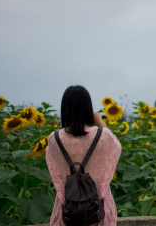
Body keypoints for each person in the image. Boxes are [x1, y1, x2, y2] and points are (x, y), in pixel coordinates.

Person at [46, 85, 122, 226]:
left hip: (68, 211)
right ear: (88, 107)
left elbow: (53, 160)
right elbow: (116, 146)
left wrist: (64, 126)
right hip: (98, 208)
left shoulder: (54, 138)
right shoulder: (102, 135)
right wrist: (99, 121)